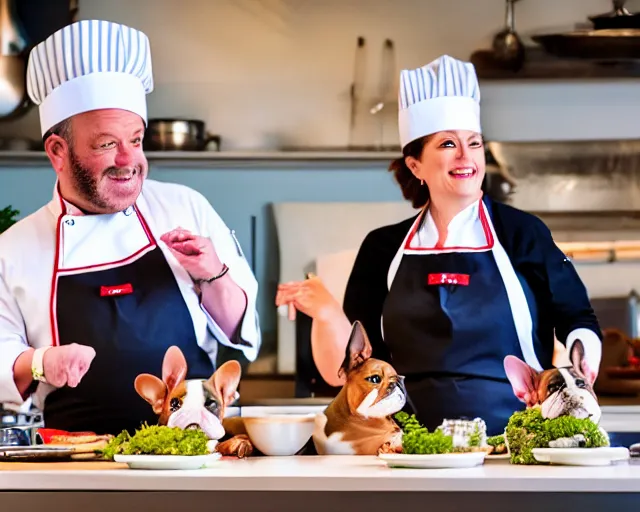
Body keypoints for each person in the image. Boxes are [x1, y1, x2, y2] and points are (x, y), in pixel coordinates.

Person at [275, 55, 602, 436]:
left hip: (514, 440)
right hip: (402, 444)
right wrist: (327, 313)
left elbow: (578, 318)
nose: (466, 157)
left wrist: (581, 370)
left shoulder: (523, 233)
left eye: (474, 143)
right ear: (415, 165)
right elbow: (352, 368)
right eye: (448, 144)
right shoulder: (383, 247)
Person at [0, 20, 260, 435]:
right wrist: (40, 362)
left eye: (136, 140)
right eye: (106, 144)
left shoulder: (183, 207)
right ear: (57, 151)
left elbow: (242, 330)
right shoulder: (13, 249)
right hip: (76, 463)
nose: (128, 160)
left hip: (194, 452)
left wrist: (213, 274)